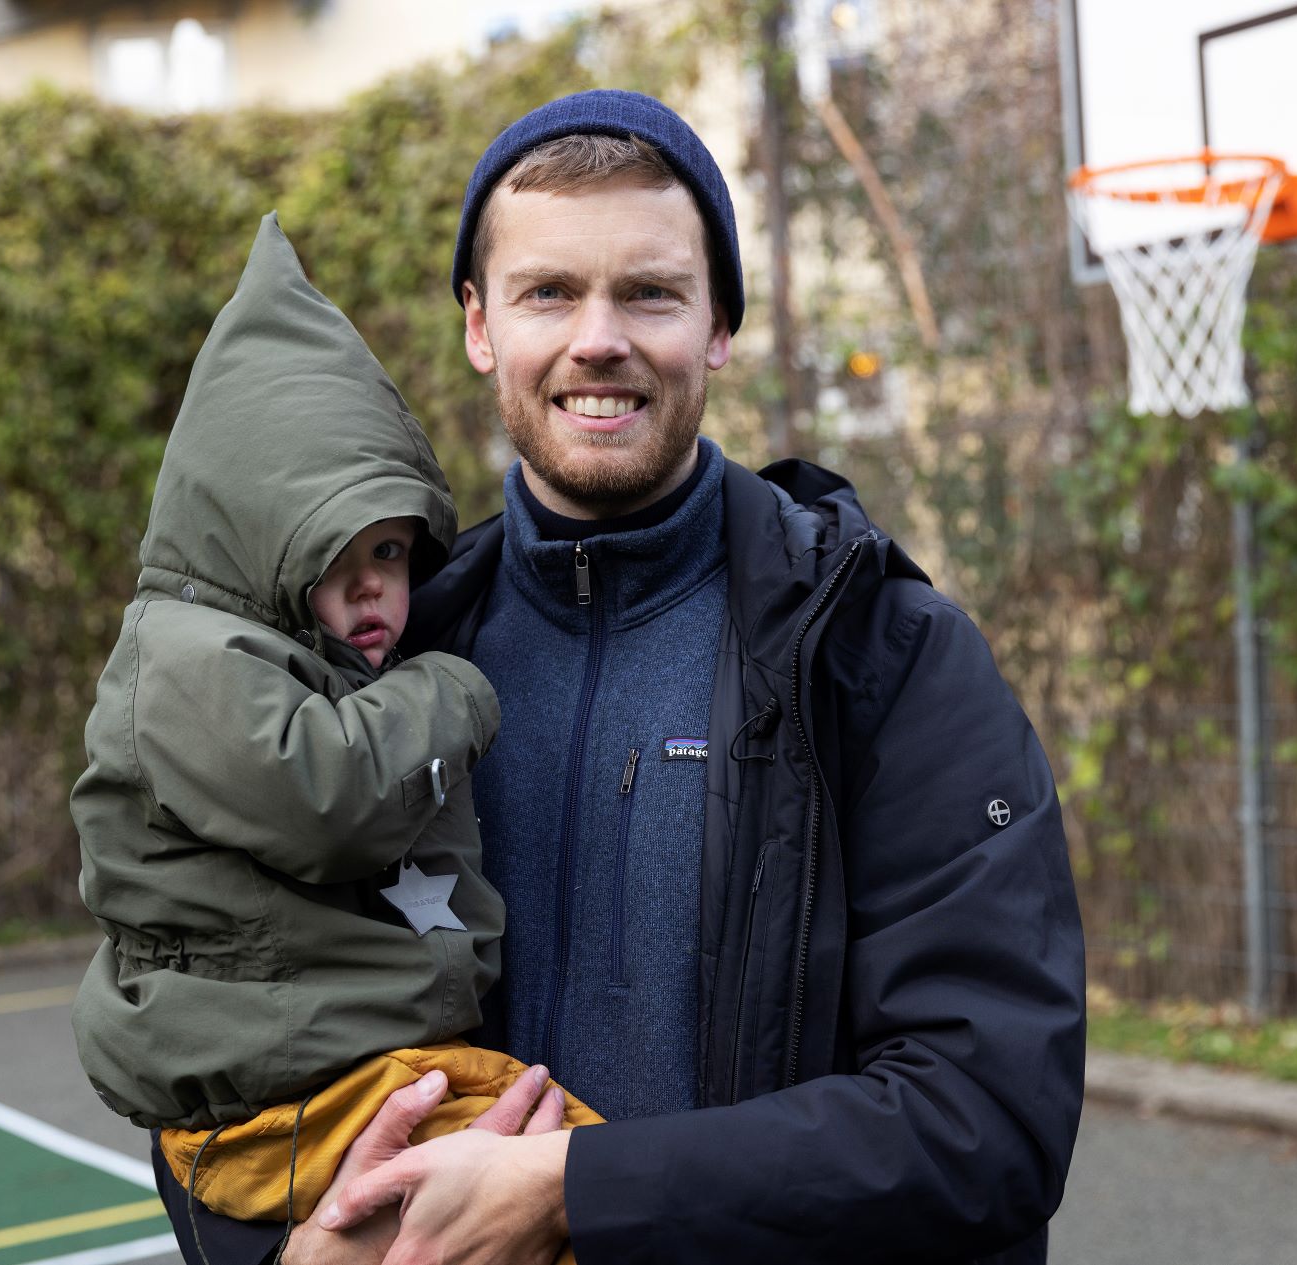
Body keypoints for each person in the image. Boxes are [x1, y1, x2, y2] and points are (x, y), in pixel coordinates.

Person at [164, 89, 1086, 1265]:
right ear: (479, 325)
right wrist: (284, 1255)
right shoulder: (369, 665)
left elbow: (988, 1119)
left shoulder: (880, 653)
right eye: (548, 291)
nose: (598, 336)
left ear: (717, 328)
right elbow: (193, 1014)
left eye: (649, 291)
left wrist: (572, 1186)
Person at [70, 213, 599, 1247]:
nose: (374, 586)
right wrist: (454, 689)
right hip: (274, 1092)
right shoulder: (187, 659)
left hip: (333, 1066)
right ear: (256, 540)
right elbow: (327, 796)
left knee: (559, 1169)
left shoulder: (301, 659)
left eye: (395, 550)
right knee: (581, 1172)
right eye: (335, 551)